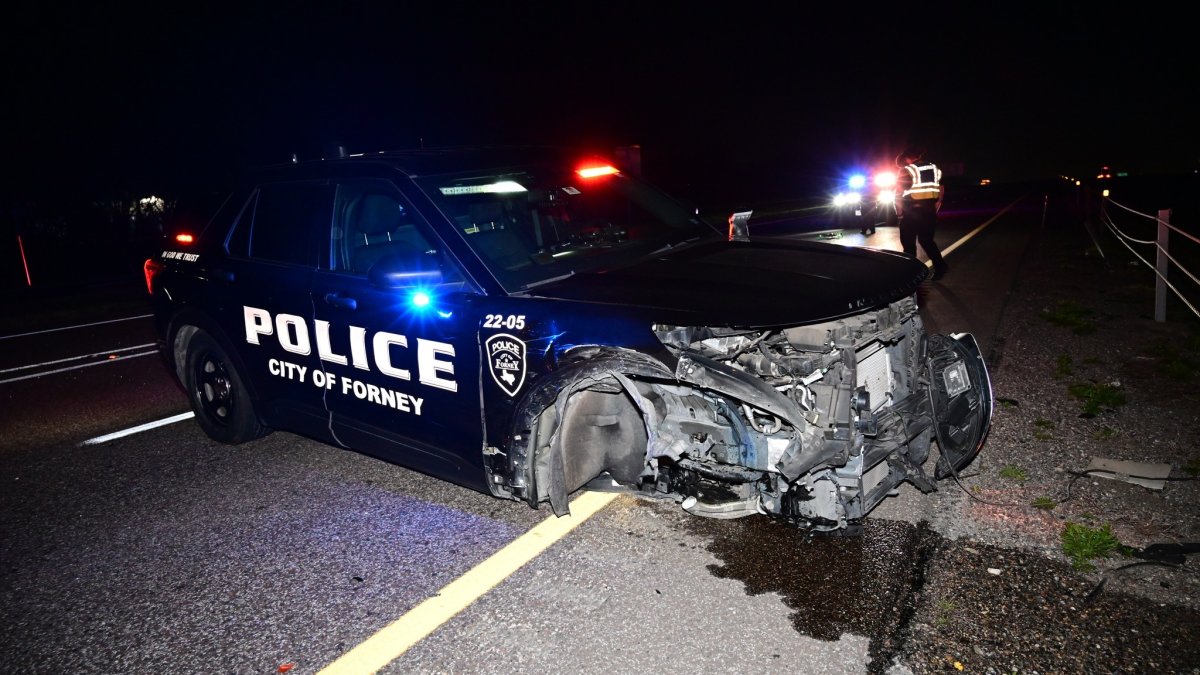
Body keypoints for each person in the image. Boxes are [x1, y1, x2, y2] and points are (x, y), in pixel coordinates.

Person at [894, 147, 948, 280]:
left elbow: (899, 193)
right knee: (927, 241)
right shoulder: (935, 169)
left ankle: (911, 273)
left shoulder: (908, 170)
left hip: (911, 212)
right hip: (929, 211)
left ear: (907, 159)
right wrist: (935, 208)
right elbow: (941, 189)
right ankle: (941, 267)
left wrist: (899, 212)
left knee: (908, 243)